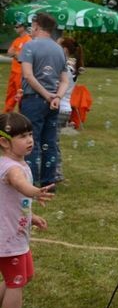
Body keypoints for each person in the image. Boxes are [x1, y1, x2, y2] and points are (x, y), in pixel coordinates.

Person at [0, 112, 55, 308]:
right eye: (22, 136)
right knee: (16, 282)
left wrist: (31, 217)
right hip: (7, 237)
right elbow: (20, 185)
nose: (30, 140)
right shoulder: (10, 168)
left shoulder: (18, 162)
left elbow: (12, 201)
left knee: (25, 275)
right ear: (4, 142)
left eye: (30, 134)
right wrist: (35, 192)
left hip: (16, 233)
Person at [18, 13, 69, 189]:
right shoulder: (59, 49)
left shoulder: (29, 46)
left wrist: (47, 95)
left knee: (31, 141)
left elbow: (28, 75)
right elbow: (65, 80)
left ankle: (30, 181)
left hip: (33, 99)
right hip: (53, 103)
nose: (31, 29)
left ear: (37, 26)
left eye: (32, 25)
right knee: (50, 141)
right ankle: (49, 181)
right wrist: (57, 97)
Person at [53, 37, 84, 183]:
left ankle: (56, 173)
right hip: (65, 109)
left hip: (59, 108)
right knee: (54, 142)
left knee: (52, 143)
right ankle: (56, 173)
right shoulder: (73, 66)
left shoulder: (64, 66)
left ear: (64, 49)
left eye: (57, 45)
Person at [3, 22, 31, 113]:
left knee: (20, 96)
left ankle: (21, 116)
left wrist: (15, 53)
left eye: (17, 26)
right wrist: (16, 53)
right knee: (10, 94)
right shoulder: (17, 40)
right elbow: (9, 52)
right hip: (13, 71)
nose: (15, 28)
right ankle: (7, 115)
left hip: (21, 73)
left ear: (24, 27)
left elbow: (22, 57)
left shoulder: (28, 40)